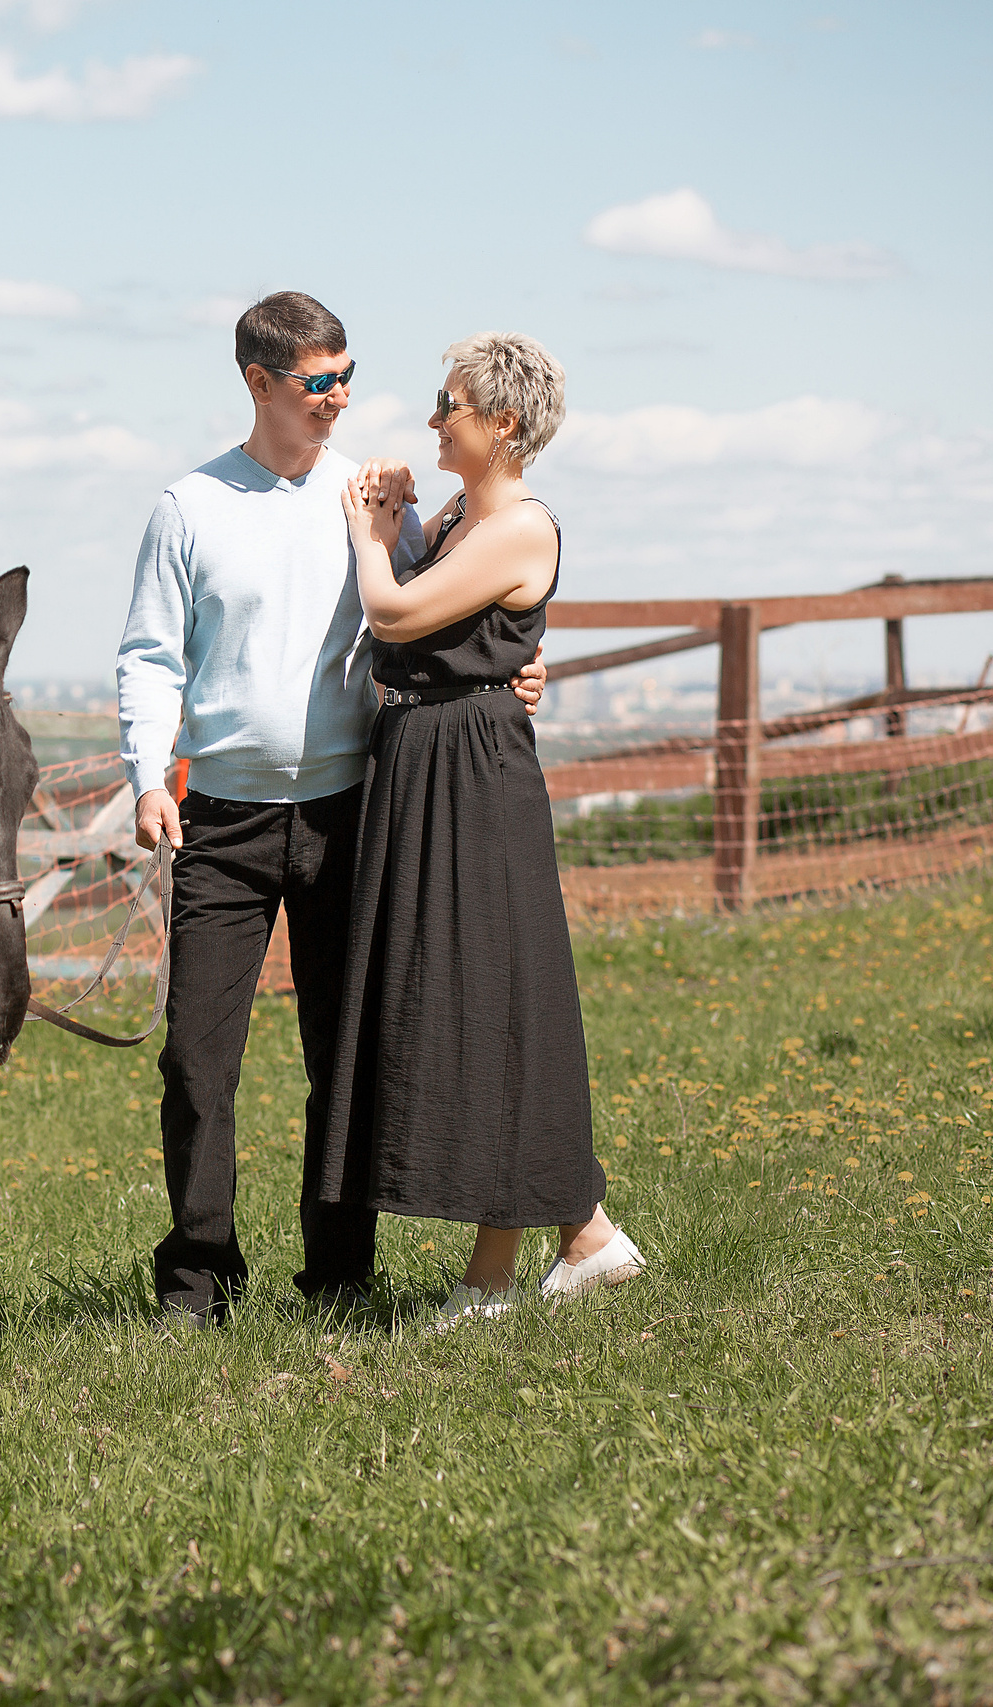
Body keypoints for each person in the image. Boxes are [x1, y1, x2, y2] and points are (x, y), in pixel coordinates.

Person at [116, 293, 543, 1327]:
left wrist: (516, 678)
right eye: (317, 382)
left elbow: (448, 614)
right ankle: (197, 1282)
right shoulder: (188, 506)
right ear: (258, 383)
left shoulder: (369, 502)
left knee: (343, 1062)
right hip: (220, 821)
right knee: (194, 1062)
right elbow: (149, 657)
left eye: (345, 375)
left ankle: (340, 1280)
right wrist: (143, 777)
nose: (337, 397)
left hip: (355, 816)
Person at [318, 332, 645, 1329]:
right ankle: (583, 1237)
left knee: (494, 1001)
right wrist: (410, 514)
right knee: (479, 1001)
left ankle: (500, 1278)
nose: (431, 419)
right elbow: (455, 627)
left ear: (499, 423)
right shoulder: (469, 515)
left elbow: (394, 613)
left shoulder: (518, 527)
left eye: (446, 404)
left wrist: (369, 530)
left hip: (471, 778)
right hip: (434, 767)